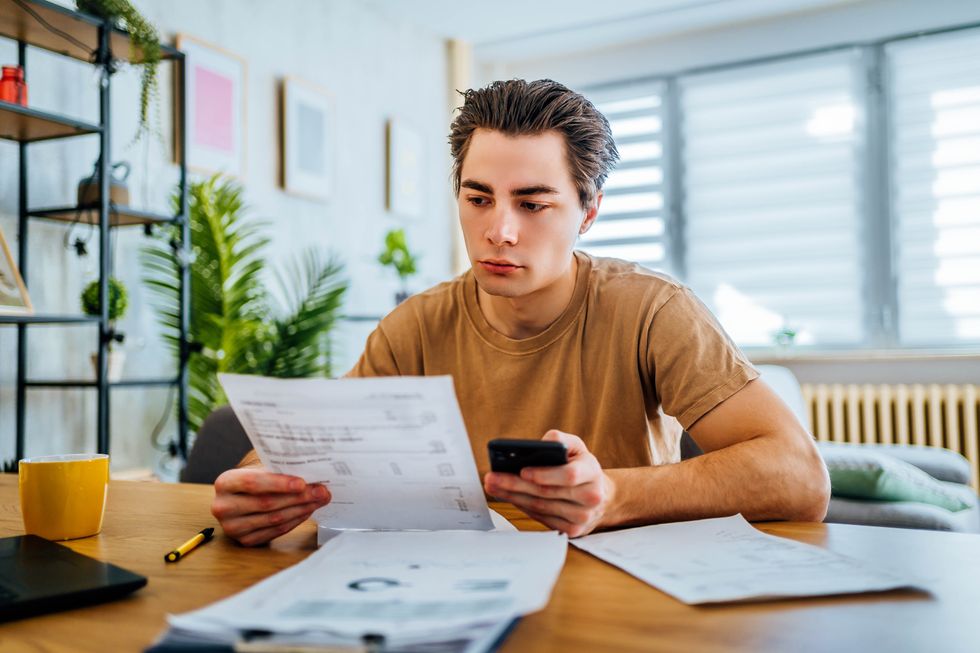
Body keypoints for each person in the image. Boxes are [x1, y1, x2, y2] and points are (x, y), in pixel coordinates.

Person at [211, 79, 830, 546]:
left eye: (533, 204)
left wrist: (613, 494)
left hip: (618, 592)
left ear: (587, 213)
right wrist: (256, 489)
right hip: (448, 587)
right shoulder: (415, 327)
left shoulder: (653, 311)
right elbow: (300, 452)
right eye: (479, 198)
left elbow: (800, 479)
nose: (498, 231)